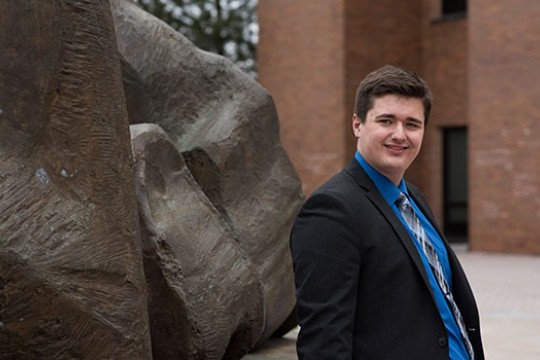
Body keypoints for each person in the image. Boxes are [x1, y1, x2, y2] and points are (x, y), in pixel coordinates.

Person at [290, 65, 484, 359]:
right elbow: (324, 341)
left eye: (412, 124)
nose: (399, 134)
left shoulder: (413, 198)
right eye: (386, 120)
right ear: (357, 124)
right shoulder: (331, 211)